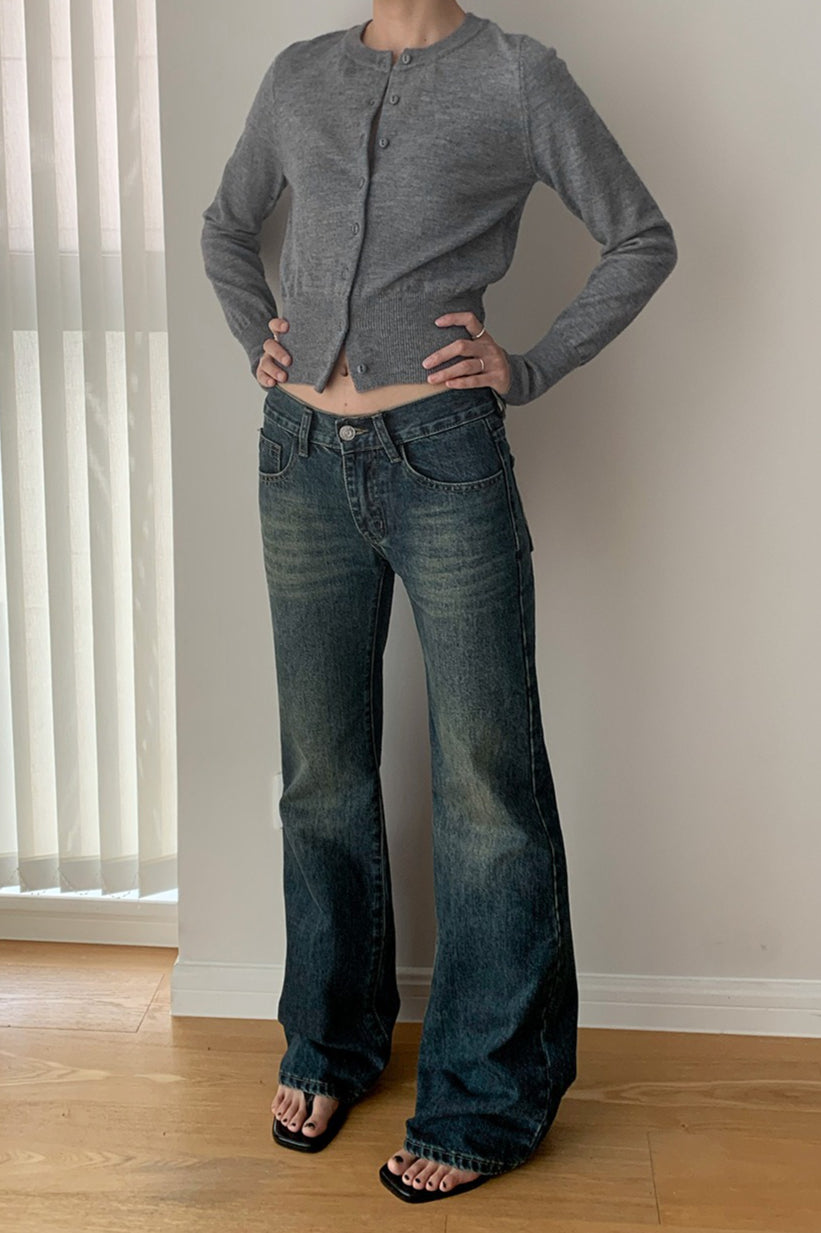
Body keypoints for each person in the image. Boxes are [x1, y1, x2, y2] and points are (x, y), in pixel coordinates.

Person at [201, 0, 677, 1204]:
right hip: (297, 458)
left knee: (486, 789)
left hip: (445, 455)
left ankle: (483, 1100)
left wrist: (530, 364)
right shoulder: (298, 74)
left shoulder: (517, 75)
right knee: (319, 774)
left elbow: (639, 237)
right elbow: (224, 226)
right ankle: (329, 1044)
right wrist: (261, 335)